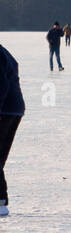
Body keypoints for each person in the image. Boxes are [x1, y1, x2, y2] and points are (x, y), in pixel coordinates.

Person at [0, 42, 24, 217]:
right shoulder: (3, 51)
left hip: (5, 110)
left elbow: (2, 85)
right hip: (13, 108)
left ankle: (1, 202)